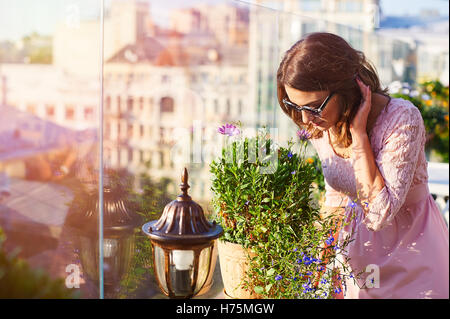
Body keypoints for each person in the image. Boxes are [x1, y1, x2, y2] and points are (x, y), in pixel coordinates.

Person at [276, 32, 449, 299]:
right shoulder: (321, 125)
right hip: (356, 268)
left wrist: (359, 137)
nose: (304, 120)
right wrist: (315, 267)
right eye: (294, 107)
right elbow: (336, 197)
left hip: (414, 265)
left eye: (312, 107)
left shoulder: (403, 119)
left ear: (346, 88)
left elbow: (379, 213)